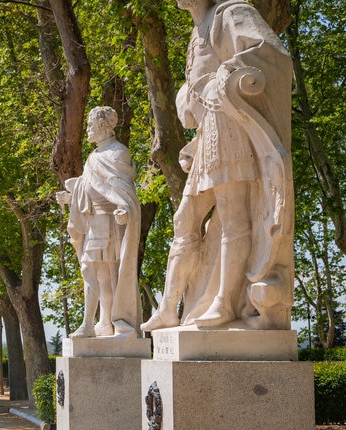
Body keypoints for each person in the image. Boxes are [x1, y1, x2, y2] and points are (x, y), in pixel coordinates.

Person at [141, 0, 294, 332]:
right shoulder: (198, 30)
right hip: (208, 134)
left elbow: (270, 53)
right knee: (185, 219)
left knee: (232, 214)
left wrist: (224, 75)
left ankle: (224, 303)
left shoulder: (233, 13)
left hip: (232, 130)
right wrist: (194, 144)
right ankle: (169, 308)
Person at [57, 106, 140, 338]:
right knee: (96, 274)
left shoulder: (118, 153)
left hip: (109, 222)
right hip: (93, 222)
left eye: (91, 126)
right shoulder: (93, 157)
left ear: (103, 125)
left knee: (106, 275)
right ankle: (99, 322)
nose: (88, 130)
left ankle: (99, 323)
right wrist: (71, 197)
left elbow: (122, 190)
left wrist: (124, 210)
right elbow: (89, 187)